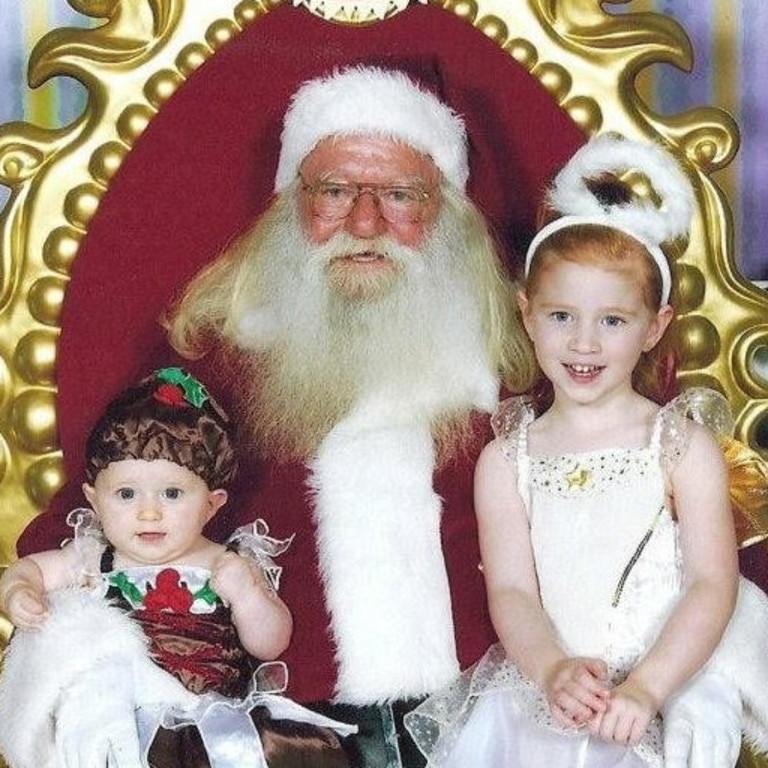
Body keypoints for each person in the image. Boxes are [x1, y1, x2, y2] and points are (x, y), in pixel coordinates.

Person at [159, 68, 763, 767]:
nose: (363, 223)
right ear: (292, 204)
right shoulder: (226, 356)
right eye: (332, 191)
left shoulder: (529, 366)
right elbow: (124, 493)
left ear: (444, 210)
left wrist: (689, 680)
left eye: (399, 195)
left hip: (485, 708)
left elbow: (709, 565)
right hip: (293, 723)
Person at [404, 135, 768, 767]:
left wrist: (651, 686)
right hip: (547, 695)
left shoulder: (680, 445)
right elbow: (513, 592)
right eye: (562, 316)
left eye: (613, 321)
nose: (584, 344)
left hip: (652, 689)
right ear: (527, 313)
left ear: (654, 326)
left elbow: (713, 583)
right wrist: (550, 670)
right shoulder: (507, 458)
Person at [0, 366, 355, 768]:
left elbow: (269, 644)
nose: (148, 512)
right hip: (125, 722)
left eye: (171, 493)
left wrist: (248, 595)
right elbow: (30, 569)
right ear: (94, 501)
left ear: (212, 503)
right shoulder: (95, 558)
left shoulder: (227, 561)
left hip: (210, 720)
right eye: (126, 494)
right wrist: (19, 592)